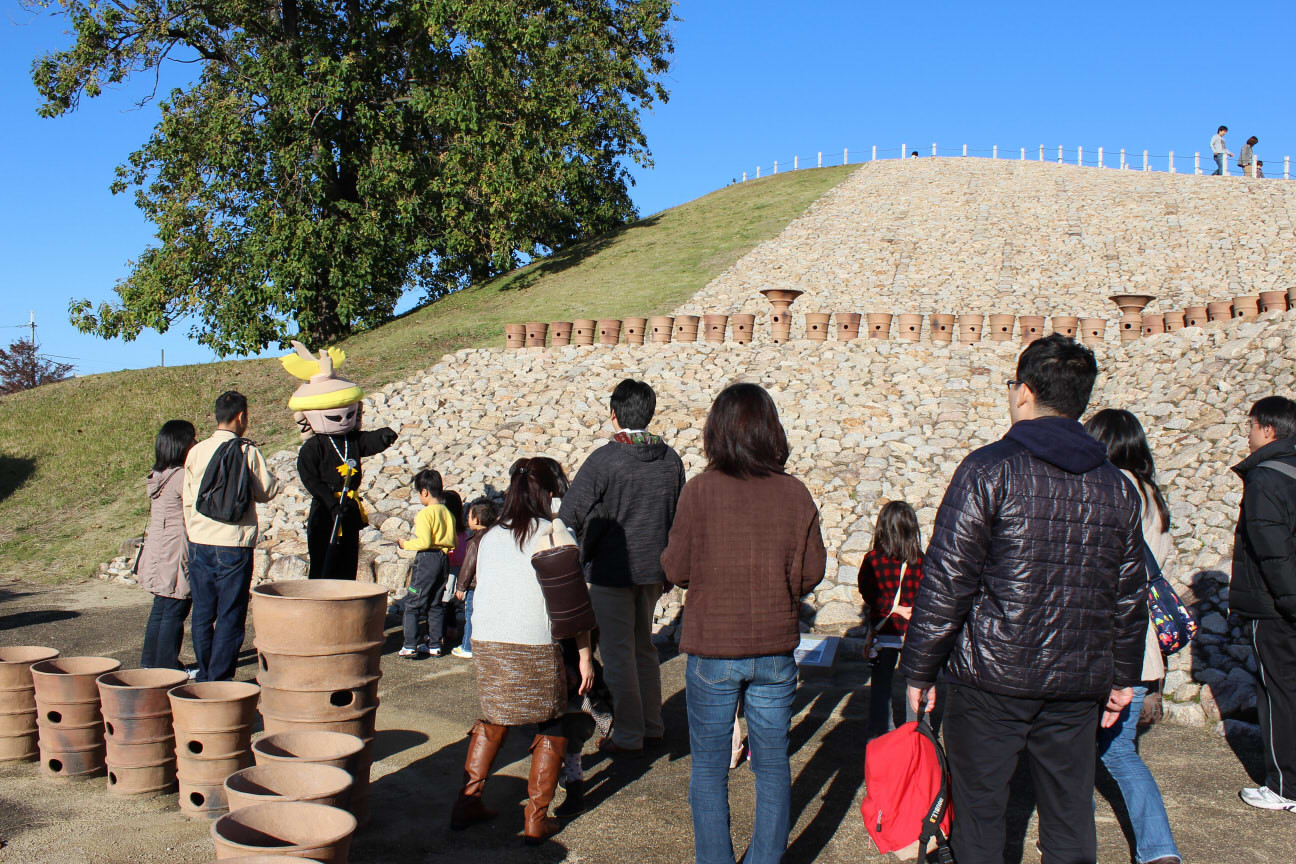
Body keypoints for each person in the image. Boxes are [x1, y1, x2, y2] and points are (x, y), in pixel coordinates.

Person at [899, 335, 1148, 864]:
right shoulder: (1117, 487)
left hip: (992, 675)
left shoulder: (988, 469)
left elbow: (947, 581)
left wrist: (919, 671)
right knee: (1070, 812)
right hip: (1077, 676)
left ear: (1024, 393)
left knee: (980, 813)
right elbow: (1128, 595)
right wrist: (1123, 676)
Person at [662, 383, 827, 864]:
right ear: (771, 430)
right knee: (772, 768)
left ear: (716, 431)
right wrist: (781, 586)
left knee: (710, 770)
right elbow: (813, 570)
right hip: (775, 647)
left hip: (713, 648)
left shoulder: (700, 491)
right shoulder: (795, 493)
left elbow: (675, 568)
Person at [451, 458, 594, 844]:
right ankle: (536, 818)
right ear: (548, 493)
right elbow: (573, 605)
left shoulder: (490, 536)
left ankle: (467, 802)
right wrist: (584, 657)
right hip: (534, 645)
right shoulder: (553, 532)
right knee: (551, 720)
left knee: (494, 716)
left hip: (487, 643)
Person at [560, 379, 686, 755]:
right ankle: (651, 725)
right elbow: (678, 516)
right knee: (644, 648)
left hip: (611, 571)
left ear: (613, 414)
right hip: (655, 569)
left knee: (617, 655)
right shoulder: (671, 459)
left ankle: (629, 734)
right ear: (650, 413)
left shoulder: (606, 459)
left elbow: (569, 513)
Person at [1084, 409, 1182, 864]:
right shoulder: (1153, 497)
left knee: (1082, 751)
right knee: (1119, 751)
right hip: (1144, 649)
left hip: (1106, 641)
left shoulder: (1109, 488)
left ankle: (1071, 842)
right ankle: (1159, 850)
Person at [182, 391, 281, 682]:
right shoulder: (246, 451)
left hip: (199, 540)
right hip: (234, 544)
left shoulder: (196, 451)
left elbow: (188, 499)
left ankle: (205, 673)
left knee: (202, 613)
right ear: (241, 417)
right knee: (230, 614)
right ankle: (220, 678)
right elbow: (265, 491)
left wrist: (193, 530)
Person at [1230, 396, 1296, 813]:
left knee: (1279, 693)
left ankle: (1285, 787)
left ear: (1268, 430)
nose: (1249, 433)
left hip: (1276, 608)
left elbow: (1273, 552)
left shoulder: (1265, 478)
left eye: (1251, 426)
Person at [857, 500, 925, 738]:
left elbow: (868, 593)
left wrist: (890, 608)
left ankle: (881, 735)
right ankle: (917, 734)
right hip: (914, 633)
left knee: (881, 688)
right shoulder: (921, 560)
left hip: (883, 631)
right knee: (916, 687)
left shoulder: (872, 559)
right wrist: (906, 610)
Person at [138, 420, 197, 673]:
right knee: (175, 607)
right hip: (176, 550)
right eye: (192, 439)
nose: (196, 443)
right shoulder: (181, 476)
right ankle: (167, 667)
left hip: (158, 548)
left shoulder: (158, 474)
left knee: (161, 607)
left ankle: (150, 663)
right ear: (181, 445)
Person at [398, 469, 456, 658]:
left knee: (413, 603)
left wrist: (405, 544)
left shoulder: (425, 514)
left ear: (424, 492)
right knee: (435, 602)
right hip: (443, 558)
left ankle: (410, 645)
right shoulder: (448, 513)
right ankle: (434, 644)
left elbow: (424, 542)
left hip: (427, 559)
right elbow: (453, 540)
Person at [452, 499, 500, 660]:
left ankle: (467, 647)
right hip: (490, 584)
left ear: (477, 520)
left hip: (474, 586)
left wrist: (461, 587)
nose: (467, 519)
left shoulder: (474, 541)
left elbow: (468, 566)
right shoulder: (495, 537)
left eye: (469, 516)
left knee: (470, 616)